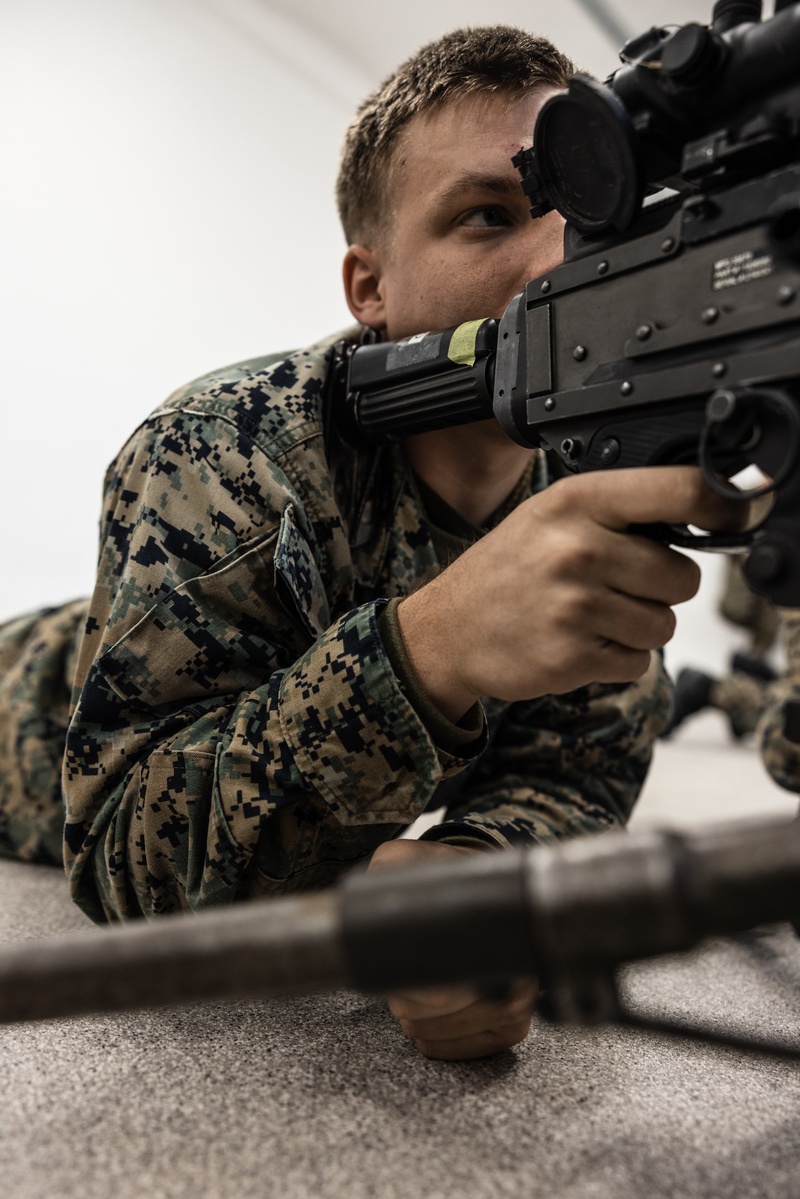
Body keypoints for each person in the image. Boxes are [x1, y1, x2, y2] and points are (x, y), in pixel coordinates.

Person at [0, 27, 744, 1061]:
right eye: (488, 215)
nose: (554, 259)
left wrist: (475, 867)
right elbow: (127, 860)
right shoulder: (226, 444)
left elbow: (578, 766)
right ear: (370, 288)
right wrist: (431, 647)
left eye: (588, 211)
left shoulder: (598, 453)